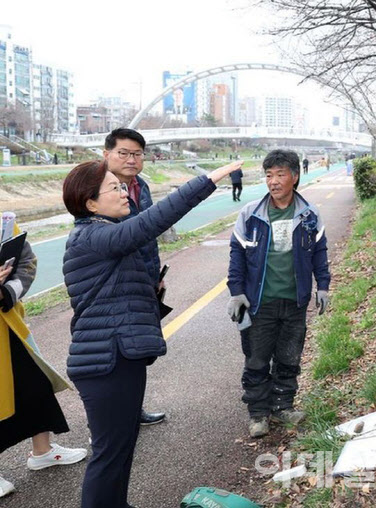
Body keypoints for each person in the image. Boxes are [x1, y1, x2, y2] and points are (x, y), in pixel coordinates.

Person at [62, 158, 242, 508]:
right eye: (114, 187)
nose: (124, 192)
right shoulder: (93, 236)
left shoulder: (103, 233)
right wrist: (206, 181)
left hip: (118, 356)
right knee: (109, 453)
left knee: (122, 446)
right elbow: (153, 221)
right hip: (106, 361)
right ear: (90, 202)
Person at [227, 149, 331, 438]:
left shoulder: (309, 214)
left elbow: (320, 252)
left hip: (295, 301)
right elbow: (236, 255)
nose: (273, 181)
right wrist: (236, 292)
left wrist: (322, 286)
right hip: (260, 302)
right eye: (269, 175)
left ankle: (283, 406)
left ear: (294, 177)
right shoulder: (250, 214)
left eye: (280, 175)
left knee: (289, 357)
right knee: (257, 359)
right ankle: (258, 413)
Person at [0, 224, 87, 499]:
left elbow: (26, 261)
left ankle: (43, 451)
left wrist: (5, 293)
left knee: (34, 383)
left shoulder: (4, 223)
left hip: (9, 322)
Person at [103, 128, 165, 426]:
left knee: (137, 348)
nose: (131, 159)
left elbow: (148, 234)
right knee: (112, 353)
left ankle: (131, 409)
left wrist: (156, 273)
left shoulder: (140, 185)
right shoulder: (97, 188)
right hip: (113, 284)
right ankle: (104, 423)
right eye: (123, 153)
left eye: (137, 154)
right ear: (107, 155)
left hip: (143, 279)